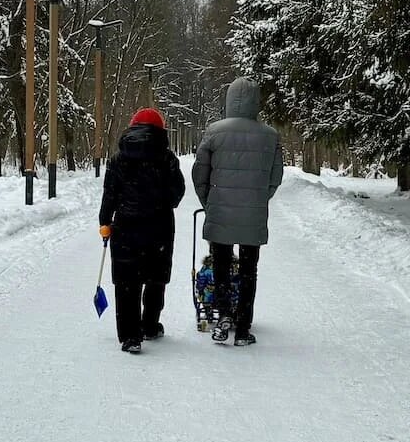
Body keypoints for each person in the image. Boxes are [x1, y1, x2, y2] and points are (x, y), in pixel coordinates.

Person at [191, 76, 284, 346]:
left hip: (220, 210)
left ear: (230, 100)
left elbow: (200, 172)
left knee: (220, 264)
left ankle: (222, 317)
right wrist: (258, 198)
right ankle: (243, 327)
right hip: (252, 213)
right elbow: (275, 176)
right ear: (256, 102)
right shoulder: (269, 135)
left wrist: (209, 201)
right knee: (248, 270)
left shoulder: (215, 131)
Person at [99, 108, 186, 354]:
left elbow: (110, 194)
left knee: (127, 281)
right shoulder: (167, 158)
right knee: (156, 277)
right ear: (160, 130)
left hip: (126, 226)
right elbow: (177, 193)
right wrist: (161, 202)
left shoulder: (118, 159)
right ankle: (149, 325)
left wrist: (105, 221)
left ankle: (129, 336)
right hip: (159, 227)